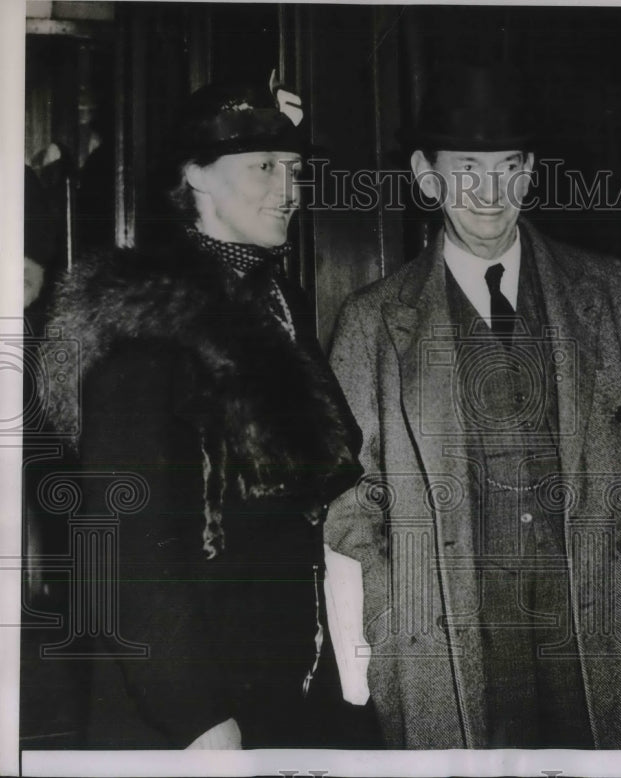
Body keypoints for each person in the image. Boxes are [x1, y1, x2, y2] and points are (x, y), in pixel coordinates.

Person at [324, 65, 621, 749]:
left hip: (602, 641)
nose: (489, 193)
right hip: (454, 651)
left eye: (508, 167)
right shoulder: (372, 321)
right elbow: (351, 501)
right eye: (466, 169)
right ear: (426, 177)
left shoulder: (603, 290)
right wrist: (397, 619)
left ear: (529, 174)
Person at [41, 77, 380, 749]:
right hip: (189, 708)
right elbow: (120, 544)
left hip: (282, 680)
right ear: (195, 175)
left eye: (295, 170)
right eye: (263, 167)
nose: (288, 189)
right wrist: (197, 715)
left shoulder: (278, 299)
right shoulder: (147, 319)